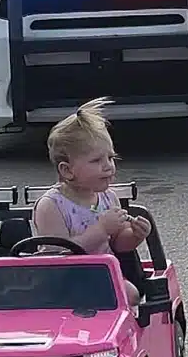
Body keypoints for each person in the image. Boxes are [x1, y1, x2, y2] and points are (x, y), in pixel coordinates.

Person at [31, 97, 152, 305]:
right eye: (97, 161)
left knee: (131, 294)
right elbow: (59, 258)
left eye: (111, 158)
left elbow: (117, 245)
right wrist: (102, 228)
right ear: (67, 170)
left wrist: (135, 235)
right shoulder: (51, 206)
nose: (108, 166)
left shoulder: (109, 197)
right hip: (60, 284)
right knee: (123, 294)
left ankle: (125, 335)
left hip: (102, 276)